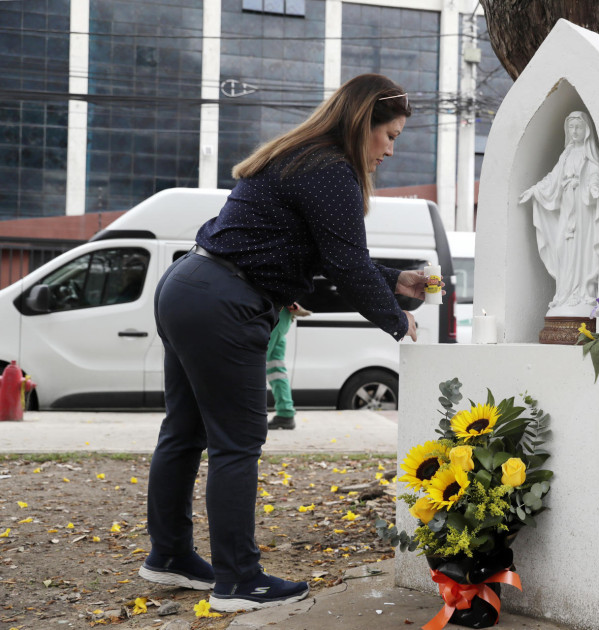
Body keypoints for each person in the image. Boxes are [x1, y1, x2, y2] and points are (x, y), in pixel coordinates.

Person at [138, 74, 425, 613]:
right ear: (363, 123)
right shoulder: (333, 169)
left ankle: (169, 556)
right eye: (390, 135)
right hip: (224, 301)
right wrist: (394, 318)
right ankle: (238, 581)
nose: (390, 149)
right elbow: (341, 262)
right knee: (237, 441)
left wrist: (393, 281)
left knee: (184, 431)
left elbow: (303, 250)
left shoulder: (298, 154)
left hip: (189, 285)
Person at [519, 110, 599, 317]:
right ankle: (565, 293)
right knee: (563, 248)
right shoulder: (566, 155)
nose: (574, 131)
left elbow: (595, 174)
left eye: (578, 127)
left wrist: (594, 187)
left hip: (583, 210)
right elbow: (553, 178)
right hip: (567, 207)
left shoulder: (589, 155)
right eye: (571, 127)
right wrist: (536, 190)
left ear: (587, 130)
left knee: (582, 248)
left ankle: (583, 292)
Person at [267, 302, 310, 430]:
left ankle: (245, 416)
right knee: (276, 368)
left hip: (273, 314)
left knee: (252, 363)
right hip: (283, 317)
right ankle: (285, 413)